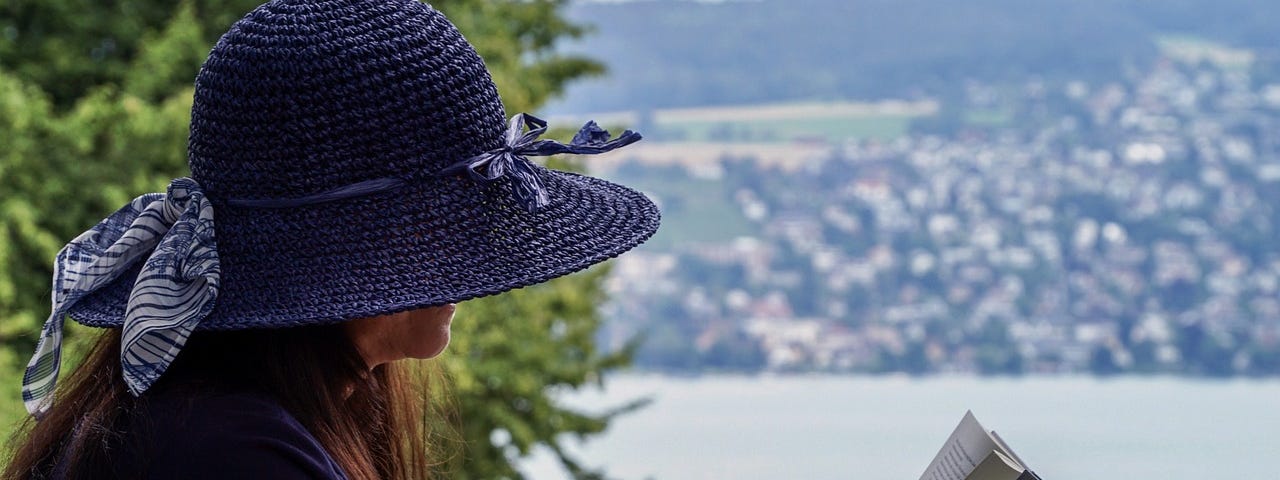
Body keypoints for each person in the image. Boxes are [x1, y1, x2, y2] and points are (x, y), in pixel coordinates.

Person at [3, 0, 660, 478]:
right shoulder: (237, 454)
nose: (470, 254)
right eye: (445, 220)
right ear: (349, 249)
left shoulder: (224, 421)